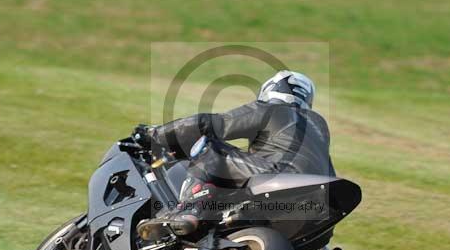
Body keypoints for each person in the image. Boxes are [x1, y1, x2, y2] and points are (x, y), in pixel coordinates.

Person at [136, 70, 334, 241]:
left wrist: (154, 134)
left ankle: (188, 211)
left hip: (279, 175)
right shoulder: (319, 126)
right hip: (315, 201)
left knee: (208, 146)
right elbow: (328, 170)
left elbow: (211, 124)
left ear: (271, 89)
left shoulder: (272, 109)